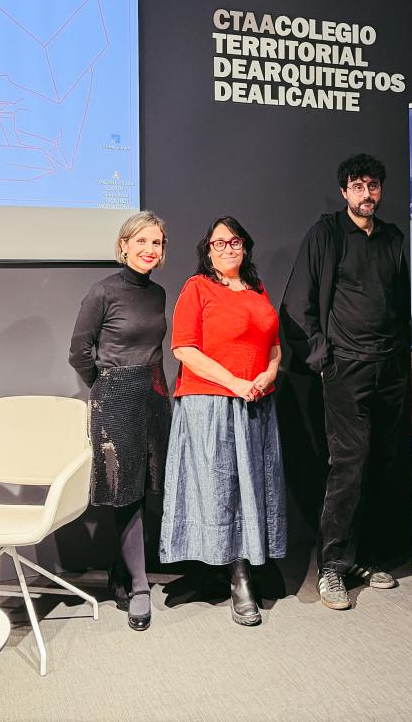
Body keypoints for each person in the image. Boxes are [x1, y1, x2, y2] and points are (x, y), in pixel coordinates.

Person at [281, 153, 411, 611]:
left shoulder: (393, 238)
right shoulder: (327, 234)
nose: (366, 194)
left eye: (373, 186)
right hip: (346, 369)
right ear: (344, 192)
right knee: (349, 466)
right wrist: (322, 358)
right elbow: (297, 302)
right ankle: (332, 566)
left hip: (390, 368)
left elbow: (404, 301)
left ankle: (367, 558)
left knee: (385, 465)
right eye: (358, 186)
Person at [160, 216, 286, 626]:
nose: (228, 248)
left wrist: (269, 372)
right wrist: (235, 382)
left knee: (253, 488)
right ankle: (237, 577)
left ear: (245, 247)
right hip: (211, 404)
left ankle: (251, 562)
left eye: (235, 242)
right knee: (222, 490)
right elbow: (184, 349)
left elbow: (274, 344)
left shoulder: (257, 289)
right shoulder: (197, 288)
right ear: (208, 251)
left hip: (256, 404)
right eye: (219, 243)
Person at [69, 211, 171, 631]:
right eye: (141, 241)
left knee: (147, 489)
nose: (149, 249)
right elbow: (79, 353)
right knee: (125, 492)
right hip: (116, 398)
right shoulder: (102, 292)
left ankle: (122, 570)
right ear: (124, 245)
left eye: (157, 243)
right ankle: (141, 585)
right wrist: (108, 385)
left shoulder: (158, 294)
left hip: (155, 395)